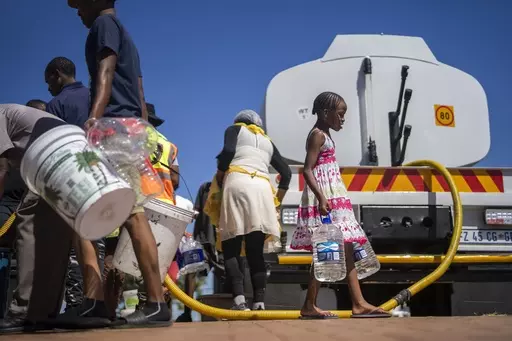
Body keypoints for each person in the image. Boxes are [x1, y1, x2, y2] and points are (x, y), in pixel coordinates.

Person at [65, 0, 170, 327]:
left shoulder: (103, 26)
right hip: (128, 128)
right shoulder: (125, 34)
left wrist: (93, 118)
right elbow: (138, 90)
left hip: (111, 126)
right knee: (129, 213)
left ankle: (109, 301)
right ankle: (147, 302)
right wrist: (140, 129)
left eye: (78, 4)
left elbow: (105, 70)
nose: (76, 10)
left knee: (95, 211)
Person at [289, 92, 390, 319]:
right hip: (325, 197)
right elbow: (307, 169)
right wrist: (322, 198)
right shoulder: (317, 136)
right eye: (341, 114)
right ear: (326, 113)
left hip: (334, 196)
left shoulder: (326, 135)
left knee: (341, 246)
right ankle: (353, 303)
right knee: (331, 246)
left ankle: (345, 303)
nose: (343, 119)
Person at [0, 104, 73, 332]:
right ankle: (46, 311)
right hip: (76, 156)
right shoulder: (14, 114)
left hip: (51, 156)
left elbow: (2, 168)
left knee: (29, 226)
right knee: (58, 235)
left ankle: (23, 309)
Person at [214, 109, 291, 311]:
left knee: (231, 245)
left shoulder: (234, 129)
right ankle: (259, 303)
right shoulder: (267, 140)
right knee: (255, 251)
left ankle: (239, 301)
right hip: (263, 189)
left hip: (238, 182)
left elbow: (229, 152)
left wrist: (221, 173)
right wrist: (278, 198)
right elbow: (286, 172)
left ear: (239, 121)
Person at [175, 181, 218, 322]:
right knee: (190, 271)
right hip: (203, 239)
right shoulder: (205, 187)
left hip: (224, 241)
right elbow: (196, 211)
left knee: (231, 272)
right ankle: (187, 312)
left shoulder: (232, 187)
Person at [45, 56, 90, 127]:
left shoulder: (55, 105)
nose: (48, 88)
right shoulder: (95, 94)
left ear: (57, 74)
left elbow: (54, 136)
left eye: (48, 82)